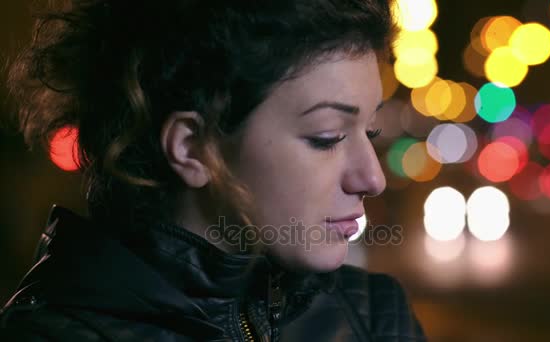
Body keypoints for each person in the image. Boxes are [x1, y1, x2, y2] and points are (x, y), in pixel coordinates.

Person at [0, 0, 427, 340]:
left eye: (370, 131)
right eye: (327, 136)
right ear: (192, 147)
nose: (372, 179)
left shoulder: (373, 316)